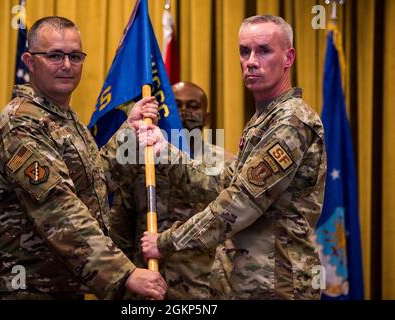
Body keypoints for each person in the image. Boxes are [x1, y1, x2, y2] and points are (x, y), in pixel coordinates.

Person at [0, 16, 167, 300]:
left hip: (62, 287)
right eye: (54, 56)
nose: (66, 65)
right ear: (29, 60)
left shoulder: (63, 119)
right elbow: (59, 211)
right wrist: (124, 273)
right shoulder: (20, 125)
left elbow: (95, 181)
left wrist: (130, 131)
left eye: (75, 56)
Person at [140, 15, 326, 300]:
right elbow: (224, 183)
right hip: (246, 282)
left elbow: (240, 201)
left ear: (288, 58)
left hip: (277, 283)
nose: (251, 61)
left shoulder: (291, 121)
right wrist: (166, 152)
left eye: (264, 50)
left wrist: (166, 242)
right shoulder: (264, 119)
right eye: (244, 51)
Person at [108, 82, 235, 299]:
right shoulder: (143, 161)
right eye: (177, 106)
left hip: (203, 289)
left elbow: (231, 224)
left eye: (193, 106)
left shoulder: (225, 163)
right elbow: (120, 229)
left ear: (207, 118)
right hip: (146, 286)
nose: (184, 112)